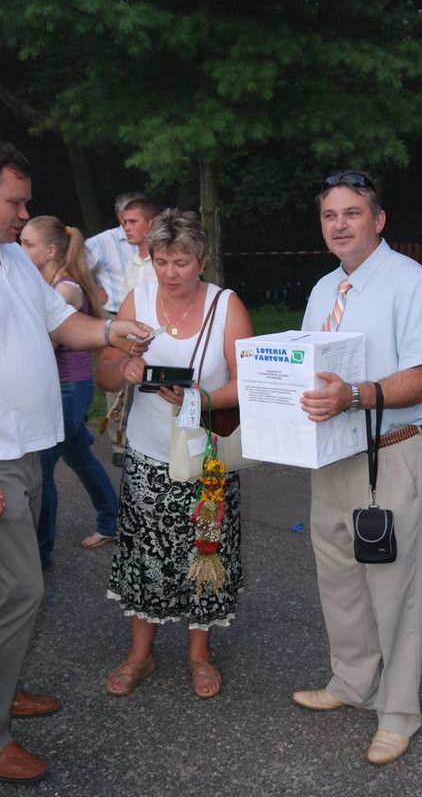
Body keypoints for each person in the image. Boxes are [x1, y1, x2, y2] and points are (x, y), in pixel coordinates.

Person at [0, 141, 152, 783]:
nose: (24, 213)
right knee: (20, 588)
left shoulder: (12, 257)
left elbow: (63, 323)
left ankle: (5, 690)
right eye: (14, 201)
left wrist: (113, 331)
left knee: (14, 588)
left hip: (29, 448)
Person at [292, 170, 422, 765]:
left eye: (352, 213)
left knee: (394, 586)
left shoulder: (411, 283)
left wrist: (354, 396)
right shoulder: (324, 288)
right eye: (330, 215)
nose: (339, 225)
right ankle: (353, 682)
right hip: (332, 452)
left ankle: (399, 713)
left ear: (377, 220)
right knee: (339, 577)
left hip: (393, 451)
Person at [96, 208, 253, 700]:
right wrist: (125, 368)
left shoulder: (226, 305)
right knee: (143, 553)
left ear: (201, 261)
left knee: (205, 553)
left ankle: (199, 654)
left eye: (181, 262)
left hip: (207, 459)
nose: (169, 272)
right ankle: (139, 653)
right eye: (161, 261)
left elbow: (247, 383)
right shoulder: (138, 300)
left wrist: (200, 399)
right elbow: (104, 371)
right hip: (147, 454)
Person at [20, 216, 119, 564]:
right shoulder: (50, 284)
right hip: (63, 388)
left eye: (27, 244)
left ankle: (40, 553)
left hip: (69, 389)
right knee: (81, 458)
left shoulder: (66, 290)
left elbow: (43, 341)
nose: (21, 250)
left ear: (49, 251)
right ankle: (112, 521)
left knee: (44, 469)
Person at [85, 191, 146, 464]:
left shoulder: (149, 247)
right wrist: (93, 291)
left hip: (145, 320)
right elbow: (75, 266)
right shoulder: (102, 242)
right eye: (124, 219)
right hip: (115, 314)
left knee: (142, 378)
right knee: (117, 380)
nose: (127, 225)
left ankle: (140, 438)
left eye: (133, 219)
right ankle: (119, 443)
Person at [119, 197, 159, 301]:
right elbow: (124, 302)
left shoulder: (165, 261)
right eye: (125, 223)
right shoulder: (131, 263)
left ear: (151, 224)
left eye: (133, 222)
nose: (126, 228)